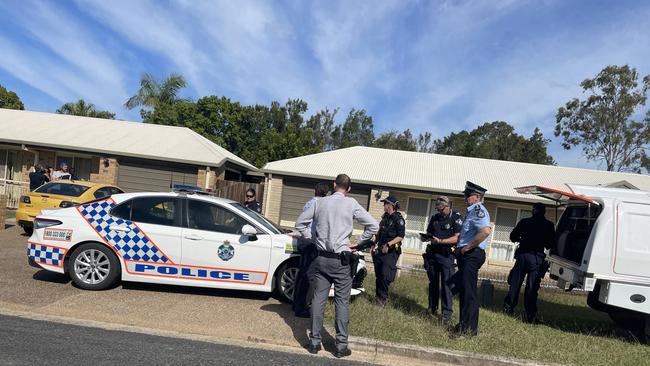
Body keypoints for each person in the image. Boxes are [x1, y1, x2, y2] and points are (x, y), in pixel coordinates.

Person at [295, 174, 378, 358]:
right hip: (342, 259)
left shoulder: (320, 202)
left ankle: (314, 342)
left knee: (318, 299)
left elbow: (300, 223)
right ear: (348, 189)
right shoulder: (352, 204)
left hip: (321, 257)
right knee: (341, 301)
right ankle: (340, 346)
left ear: (334, 185)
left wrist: (313, 238)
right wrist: (357, 243)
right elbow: (373, 225)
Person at [503, 203, 555, 323]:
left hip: (522, 256)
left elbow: (513, 236)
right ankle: (529, 315)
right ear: (544, 212)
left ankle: (508, 309)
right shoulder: (548, 225)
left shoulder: (524, 222)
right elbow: (551, 244)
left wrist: (523, 239)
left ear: (533, 211)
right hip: (536, 259)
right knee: (532, 288)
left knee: (515, 284)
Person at [453, 181, 491, 337]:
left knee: (469, 293)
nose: (465, 198)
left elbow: (485, 231)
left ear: (476, 197)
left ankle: (470, 330)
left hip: (472, 254)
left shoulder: (478, 209)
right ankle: (463, 325)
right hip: (466, 254)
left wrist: (467, 247)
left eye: (467, 195)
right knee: (464, 291)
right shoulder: (471, 211)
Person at [292, 182, 330, 318]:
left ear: (315, 191)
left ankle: (296, 303)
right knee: (310, 276)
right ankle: (302, 307)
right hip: (311, 242)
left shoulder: (309, 203)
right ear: (326, 194)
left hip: (303, 240)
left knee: (302, 273)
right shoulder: (321, 205)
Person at [423, 196, 462, 323]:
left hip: (447, 256)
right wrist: (427, 237)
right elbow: (429, 233)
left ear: (448, 206)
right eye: (438, 209)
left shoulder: (455, 217)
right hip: (433, 255)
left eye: (442, 209)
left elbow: (457, 238)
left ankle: (446, 314)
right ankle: (432, 308)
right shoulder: (435, 218)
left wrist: (441, 241)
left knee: (446, 285)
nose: (440, 211)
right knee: (433, 283)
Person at [372, 195, 405, 305]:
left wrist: (389, 244)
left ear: (390, 205)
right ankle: (378, 298)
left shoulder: (398, 219)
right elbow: (379, 233)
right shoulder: (385, 218)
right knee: (379, 274)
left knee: (385, 275)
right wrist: (374, 243)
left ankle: (383, 299)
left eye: (385, 204)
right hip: (380, 250)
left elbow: (400, 236)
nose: (383, 206)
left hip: (391, 251)